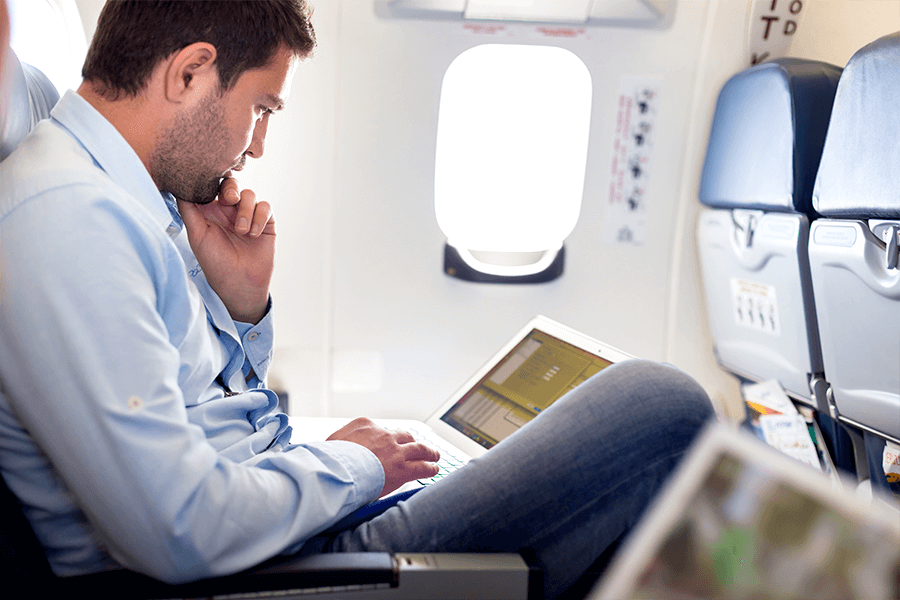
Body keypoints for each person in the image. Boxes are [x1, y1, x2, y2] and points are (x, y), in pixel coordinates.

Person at [0, 1, 714, 598]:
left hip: (281, 532)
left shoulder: (128, 195)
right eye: (261, 108)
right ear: (190, 72)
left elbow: (211, 419)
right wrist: (355, 468)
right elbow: (176, 527)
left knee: (614, 523)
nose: (256, 146)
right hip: (255, 576)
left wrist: (242, 309)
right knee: (660, 405)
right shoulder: (69, 218)